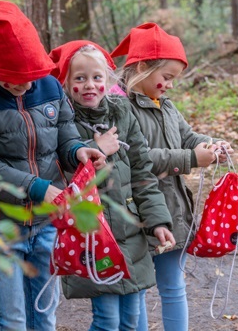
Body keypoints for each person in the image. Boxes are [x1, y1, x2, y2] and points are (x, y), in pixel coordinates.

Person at [0, 1, 105, 331]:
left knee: (45, 316)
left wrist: (79, 150)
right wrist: (37, 188)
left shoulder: (49, 86)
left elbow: (65, 137)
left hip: (50, 223)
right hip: (3, 226)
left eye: (28, 79)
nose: (23, 87)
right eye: (12, 81)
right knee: (14, 319)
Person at [110, 23, 235, 331]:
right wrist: (191, 159)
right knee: (137, 289)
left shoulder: (166, 107)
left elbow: (188, 137)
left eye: (173, 79)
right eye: (166, 77)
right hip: (134, 214)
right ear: (140, 68)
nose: (170, 85)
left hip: (171, 211)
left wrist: (211, 144)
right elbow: (133, 159)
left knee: (173, 286)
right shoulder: (119, 108)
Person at [49, 40, 175, 330]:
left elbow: (143, 172)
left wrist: (157, 221)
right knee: (107, 320)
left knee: (131, 320)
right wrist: (96, 149)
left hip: (130, 229)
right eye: (79, 78)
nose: (89, 85)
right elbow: (62, 170)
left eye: (96, 77)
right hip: (92, 235)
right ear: (66, 83)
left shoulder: (122, 112)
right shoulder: (61, 121)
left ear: (108, 79)